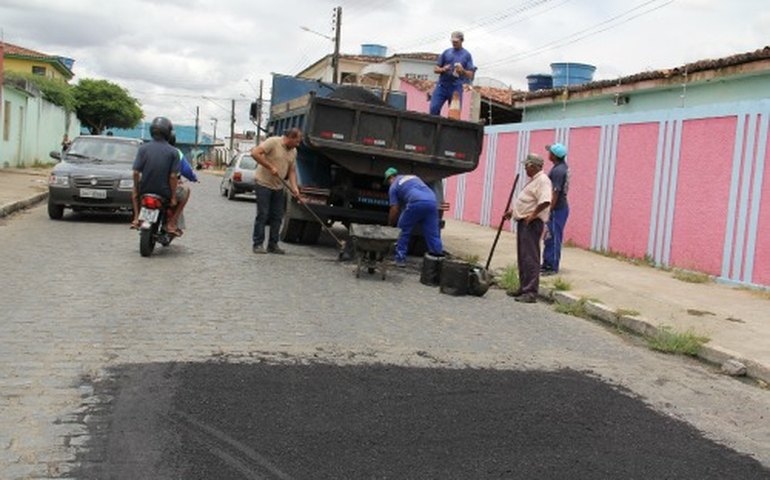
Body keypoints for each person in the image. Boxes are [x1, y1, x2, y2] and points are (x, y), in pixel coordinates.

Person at [503, 154, 552, 303]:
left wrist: (532, 215)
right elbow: (528, 201)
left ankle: (530, 291)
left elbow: (545, 201)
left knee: (530, 257)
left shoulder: (543, 181)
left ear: (533, 166)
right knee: (523, 256)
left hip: (531, 223)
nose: (525, 168)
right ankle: (523, 287)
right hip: (524, 221)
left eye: (527, 166)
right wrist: (513, 212)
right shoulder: (534, 180)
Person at [251, 128, 302, 255]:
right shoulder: (273, 142)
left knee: (277, 217)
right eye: (296, 141)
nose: (298, 144)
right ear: (289, 137)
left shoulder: (293, 151)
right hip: (263, 184)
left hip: (278, 187)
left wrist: (294, 188)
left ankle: (273, 245)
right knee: (263, 215)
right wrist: (270, 167)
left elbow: (292, 171)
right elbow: (255, 153)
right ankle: (257, 244)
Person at [130, 117, 181, 234]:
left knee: (133, 193)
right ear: (168, 133)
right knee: (186, 191)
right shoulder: (173, 152)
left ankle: (136, 218)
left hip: (144, 189)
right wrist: (173, 197)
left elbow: (136, 172)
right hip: (164, 192)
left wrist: (136, 187)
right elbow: (173, 177)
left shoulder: (143, 149)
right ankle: (171, 223)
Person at [385, 167, 443, 268]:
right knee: (433, 234)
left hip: (416, 202)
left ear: (390, 178)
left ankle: (400, 259)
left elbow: (394, 208)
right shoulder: (413, 177)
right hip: (432, 202)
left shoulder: (393, 186)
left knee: (403, 230)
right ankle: (438, 263)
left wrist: (390, 223)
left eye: (388, 181)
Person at [430, 31, 476, 116]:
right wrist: (443, 69)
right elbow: (435, 69)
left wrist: (462, 71)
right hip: (442, 85)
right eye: (453, 41)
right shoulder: (446, 52)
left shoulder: (467, 55)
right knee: (433, 109)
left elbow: (470, 74)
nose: (454, 43)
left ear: (462, 41)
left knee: (454, 114)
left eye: (456, 42)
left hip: (456, 87)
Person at [542, 143, 570, 275]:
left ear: (554, 155)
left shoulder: (558, 171)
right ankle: (547, 262)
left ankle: (552, 266)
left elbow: (555, 192)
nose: (548, 154)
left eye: (550, 152)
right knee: (549, 236)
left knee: (553, 238)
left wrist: (549, 209)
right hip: (557, 209)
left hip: (557, 209)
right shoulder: (560, 167)